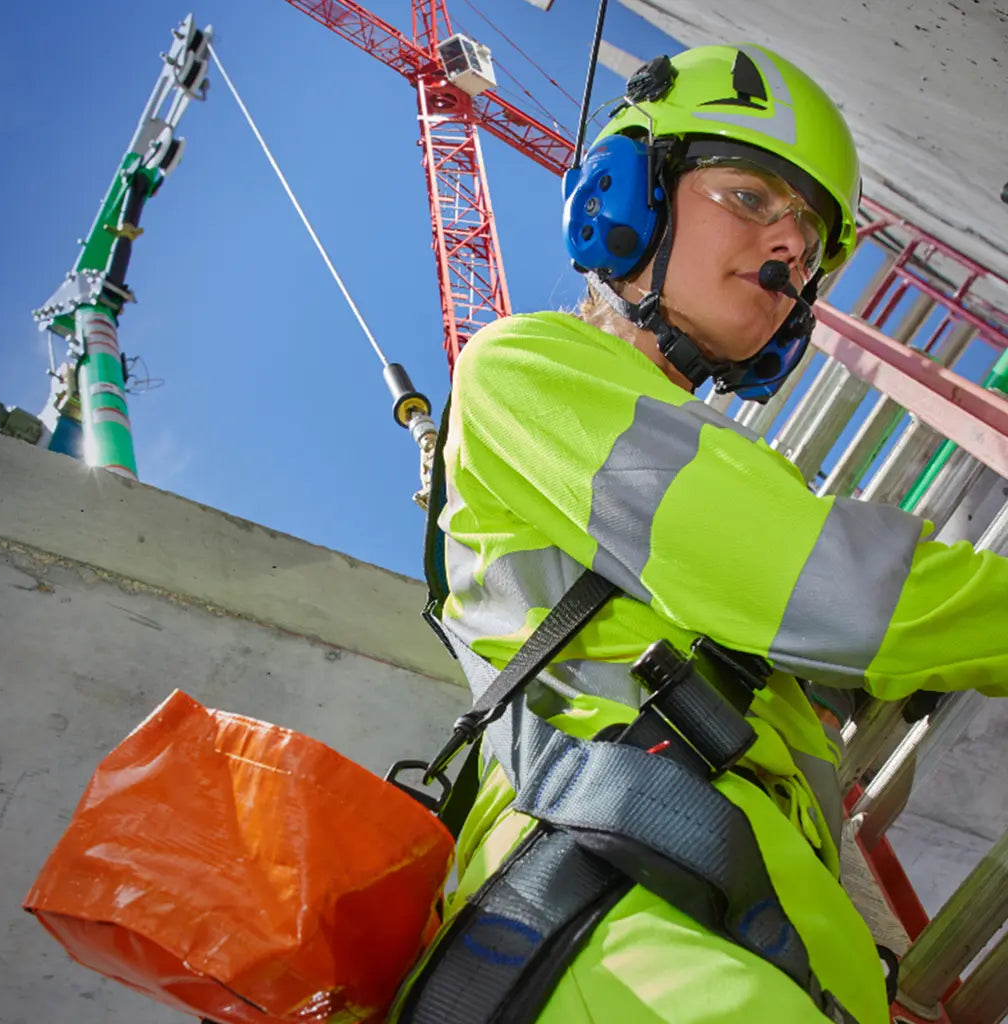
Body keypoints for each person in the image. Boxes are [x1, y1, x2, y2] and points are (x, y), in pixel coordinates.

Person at [392, 44, 1008, 1024]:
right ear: (630, 195)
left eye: (808, 248)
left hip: (731, 919)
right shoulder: (524, 364)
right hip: (614, 930)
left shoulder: (710, 461)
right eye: (754, 198)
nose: (785, 256)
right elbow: (819, 587)